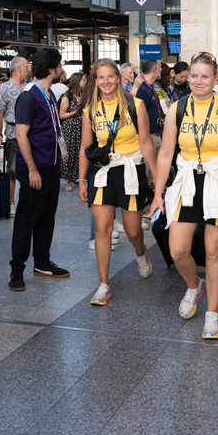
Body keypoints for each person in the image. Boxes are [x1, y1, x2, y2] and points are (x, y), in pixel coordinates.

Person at [150, 52, 218, 339]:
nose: (198, 81)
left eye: (205, 76)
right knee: (178, 251)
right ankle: (195, 287)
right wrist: (158, 193)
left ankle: (212, 315)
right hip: (187, 183)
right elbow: (166, 153)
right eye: (194, 76)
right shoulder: (177, 109)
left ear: (215, 77)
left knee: (213, 251)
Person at [77, 59, 159, 305]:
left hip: (131, 170)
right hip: (103, 172)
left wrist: (157, 177)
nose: (106, 82)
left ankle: (140, 253)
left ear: (118, 77)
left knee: (133, 230)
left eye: (110, 76)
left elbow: (145, 142)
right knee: (102, 229)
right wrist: (82, 180)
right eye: (101, 77)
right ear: (95, 80)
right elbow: (85, 147)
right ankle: (103, 284)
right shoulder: (90, 109)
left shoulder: (135, 104)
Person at [9, 47, 70, 292]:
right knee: (27, 218)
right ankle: (17, 269)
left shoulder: (49, 93)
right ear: (52, 69)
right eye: (60, 65)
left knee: (46, 217)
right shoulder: (29, 96)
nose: (62, 70)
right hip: (35, 168)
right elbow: (21, 135)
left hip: (51, 165)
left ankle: (42, 262)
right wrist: (32, 170)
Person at [0, 56, 31, 218]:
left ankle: (26, 200)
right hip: (12, 134)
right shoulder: (5, 88)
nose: (28, 69)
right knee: (12, 170)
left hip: (30, 135)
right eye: (26, 66)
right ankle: (11, 202)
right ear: (18, 69)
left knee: (29, 168)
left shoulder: (30, 87)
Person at [59, 72, 85, 192]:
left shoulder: (84, 95)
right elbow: (61, 115)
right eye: (83, 80)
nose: (85, 81)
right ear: (77, 81)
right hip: (70, 129)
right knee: (69, 154)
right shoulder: (67, 96)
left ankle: (81, 178)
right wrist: (75, 112)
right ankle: (69, 181)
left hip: (81, 128)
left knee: (80, 154)